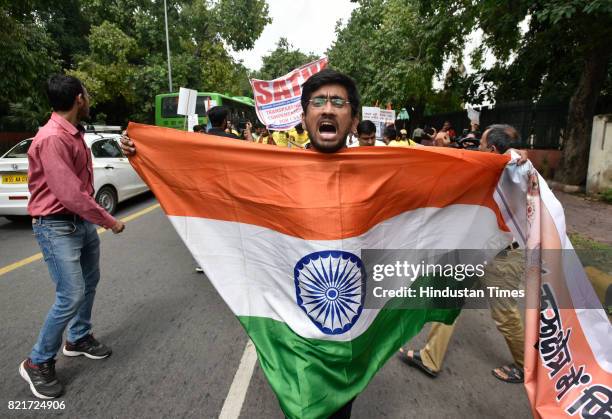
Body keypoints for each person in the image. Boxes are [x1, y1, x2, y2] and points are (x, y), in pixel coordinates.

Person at [121, 70, 529, 417]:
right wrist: (148, 153)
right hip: (294, 330)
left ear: (353, 120)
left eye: (338, 102)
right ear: (304, 116)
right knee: (301, 402)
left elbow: (444, 188)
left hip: (353, 330)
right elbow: (209, 178)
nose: (328, 108)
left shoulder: (385, 170)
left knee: (340, 408)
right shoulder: (275, 170)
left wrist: (506, 168)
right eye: (318, 102)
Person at [20, 74, 126, 399]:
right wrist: (109, 220)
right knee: (71, 293)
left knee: (89, 282)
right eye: (88, 94)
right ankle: (37, 362)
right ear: (79, 98)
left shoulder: (74, 132)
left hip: (79, 223)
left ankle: (78, 338)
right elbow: (69, 193)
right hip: (56, 225)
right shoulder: (52, 138)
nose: (90, 98)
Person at [398, 124, 527, 384]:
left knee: (504, 315)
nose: (476, 148)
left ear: (491, 150)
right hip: (481, 251)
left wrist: (517, 156)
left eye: (480, 144)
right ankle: (430, 358)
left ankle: (527, 367)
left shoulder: (515, 173)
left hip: (503, 257)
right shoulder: (496, 169)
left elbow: (518, 166)